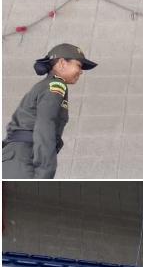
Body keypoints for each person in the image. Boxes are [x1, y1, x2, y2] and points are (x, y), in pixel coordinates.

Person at [2, 43, 97, 178]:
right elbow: (45, 125)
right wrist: (45, 171)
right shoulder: (56, 85)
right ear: (62, 63)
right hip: (26, 158)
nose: (81, 71)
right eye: (79, 65)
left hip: (16, 158)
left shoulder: (45, 85)